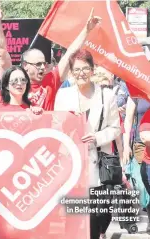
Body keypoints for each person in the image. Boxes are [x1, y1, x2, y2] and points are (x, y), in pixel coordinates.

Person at [54, 50, 120, 239]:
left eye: (85, 69)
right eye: (77, 70)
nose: (81, 73)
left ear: (92, 70)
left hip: (98, 163)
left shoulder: (106, 96)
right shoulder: (64, 95)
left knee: (99, 213)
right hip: (72, 163)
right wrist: (67, 120)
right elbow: (56, 126)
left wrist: (97, 137)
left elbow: (115, 128)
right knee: (75, 214)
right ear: (71, 73)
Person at [25, 11, 101, 111]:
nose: (43, 67)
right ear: (25, 65)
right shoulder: (16, 85)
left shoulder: (52, 80)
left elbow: (70, 53)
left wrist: (86, 30)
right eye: (38, 64)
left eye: (44, 63)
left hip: (47, 126)